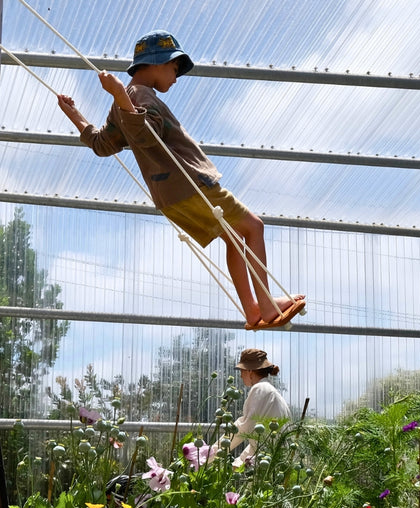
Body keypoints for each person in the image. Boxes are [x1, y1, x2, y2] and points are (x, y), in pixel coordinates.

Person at [57, 30, 305, 330]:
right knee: (254, 227)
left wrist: (74, 115)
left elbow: (102, 144)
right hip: (190, 183)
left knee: (233, 238)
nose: (176, 78)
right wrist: (119, 94)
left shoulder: (127, 101)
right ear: (156, 64)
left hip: (169, 196)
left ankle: (252, 310)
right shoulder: (138, 95)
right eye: (174, 68)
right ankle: (266, 305)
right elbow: (145, 135)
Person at [213, 348, 291, 467]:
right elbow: (259, 438)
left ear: (249, 370)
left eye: (241, 371)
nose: (240, 376)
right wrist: (240, 461)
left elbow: (244, 428)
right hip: (276, 459)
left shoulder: (260, 389)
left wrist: (209, 454)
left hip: (268, 462)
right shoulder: (271, 391)